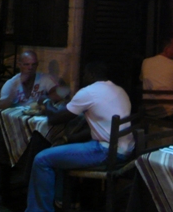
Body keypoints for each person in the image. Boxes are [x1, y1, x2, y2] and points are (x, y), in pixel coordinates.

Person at [25, 62, 132, 212]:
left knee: (41, 159)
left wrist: (47, 101)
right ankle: (65, 200)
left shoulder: (89, 92)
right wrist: (69, 139)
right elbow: (99, 126)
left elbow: (55, 118)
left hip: (107, 151)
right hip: (126, 149)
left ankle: (39, 210)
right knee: (60, 150)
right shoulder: (119, 90)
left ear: (91, 75)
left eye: (84, 75)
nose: (83, 78)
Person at [0, 51, 58, 207]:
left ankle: (38, 194)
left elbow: (60, 95)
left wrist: (49, 98)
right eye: (26, 64)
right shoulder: (12, 83)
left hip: (37, 129)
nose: (30, 68)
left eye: (33, 64)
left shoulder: (44, 79)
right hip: (9, 128)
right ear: (20, 65)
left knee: (42, 146)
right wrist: (12, 93)